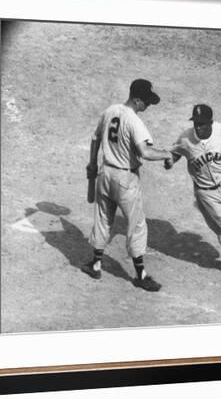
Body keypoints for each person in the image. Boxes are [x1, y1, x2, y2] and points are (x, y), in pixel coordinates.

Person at [82, 79, 172, 292]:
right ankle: (140, 275)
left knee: (103, 219)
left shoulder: (110, 110)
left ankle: (95, 263)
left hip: (105, 174)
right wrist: (167, 154)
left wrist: (93, 164)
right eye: (146, 102)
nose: (148, 106)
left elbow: (95, 139)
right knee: (137, 225)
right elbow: (145, 153)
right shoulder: (134, 121)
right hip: (125, 179)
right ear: (137, 99)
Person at [164, 104, 221, 279]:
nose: (198, 127)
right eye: (196, 123)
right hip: (206, 193)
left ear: (211, 122)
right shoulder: (186, 139)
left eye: (202, 123)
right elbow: (176, 152)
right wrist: (170, 161)